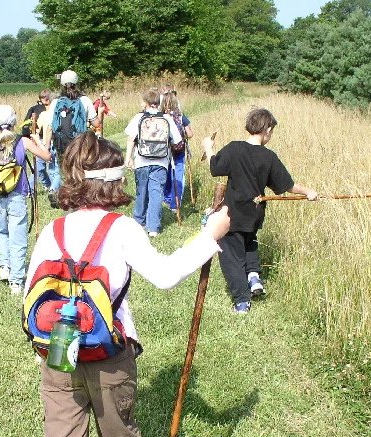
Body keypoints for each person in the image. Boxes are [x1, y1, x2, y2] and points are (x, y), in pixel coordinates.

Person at [24, 131, 230, 437]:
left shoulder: (50, 230)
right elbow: (164, 274)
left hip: (57, 351)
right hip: (110, 351)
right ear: (114, 182)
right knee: (117, 420)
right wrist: (211, 237)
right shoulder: (122, 229)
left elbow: (31, 292)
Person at [202, 107, 319, 314]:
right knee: (249, 242)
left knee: (231, 256)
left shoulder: (234, 148)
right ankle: (254, 276)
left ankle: (242, 301)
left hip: (233, 213)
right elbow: (287, 185)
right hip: (255, 212)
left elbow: (215, 168)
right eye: (272, 132)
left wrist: (208, 147)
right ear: (267, 129)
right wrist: (308, 191)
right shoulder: (269, 157)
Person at [0, 105, 51, 295]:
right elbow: (47, 156)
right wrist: (38, 141)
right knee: (18, 237)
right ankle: (16, 281)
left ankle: (4, 267)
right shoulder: (22, 142)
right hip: (16, 196)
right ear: (14, 121)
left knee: (1, 231)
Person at [124, 88, 183, 237]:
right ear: (158, 103)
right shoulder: (167, 119)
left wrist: (128, 158)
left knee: (141, 191)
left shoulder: (139, 118)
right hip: (161, 161)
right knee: (156, 192)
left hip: (141, 160)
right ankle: (153, 227)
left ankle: (139, 221)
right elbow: (177, 141)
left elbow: (131, 139)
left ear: (145, 103)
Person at [47, 70, 100, 207]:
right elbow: (96, 123)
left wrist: (47, 146)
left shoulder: (56, 102)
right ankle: (81, 197)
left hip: (61, 143)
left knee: (66, 172)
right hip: (80, 143)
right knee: (81, 170)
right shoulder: (85, 100)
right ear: (77, 83)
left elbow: (49, 126)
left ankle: (68, 197)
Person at [160, 90, 193, 212]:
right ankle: (175, 204)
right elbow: (190, 134)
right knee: (178, 176)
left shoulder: (160, 117)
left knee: (167, 174)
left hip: (164, 152)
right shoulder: (180, 116)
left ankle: (166, 198)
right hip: (179, 151)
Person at [23, 89, 53, 191]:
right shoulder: (50, 109)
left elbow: (26, 125)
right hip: (43, 138)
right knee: (40, 165)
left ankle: (46, 185)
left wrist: (29, 136)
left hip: (38, 138)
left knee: (40, 165)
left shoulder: (34, 109)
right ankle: (32, 189)